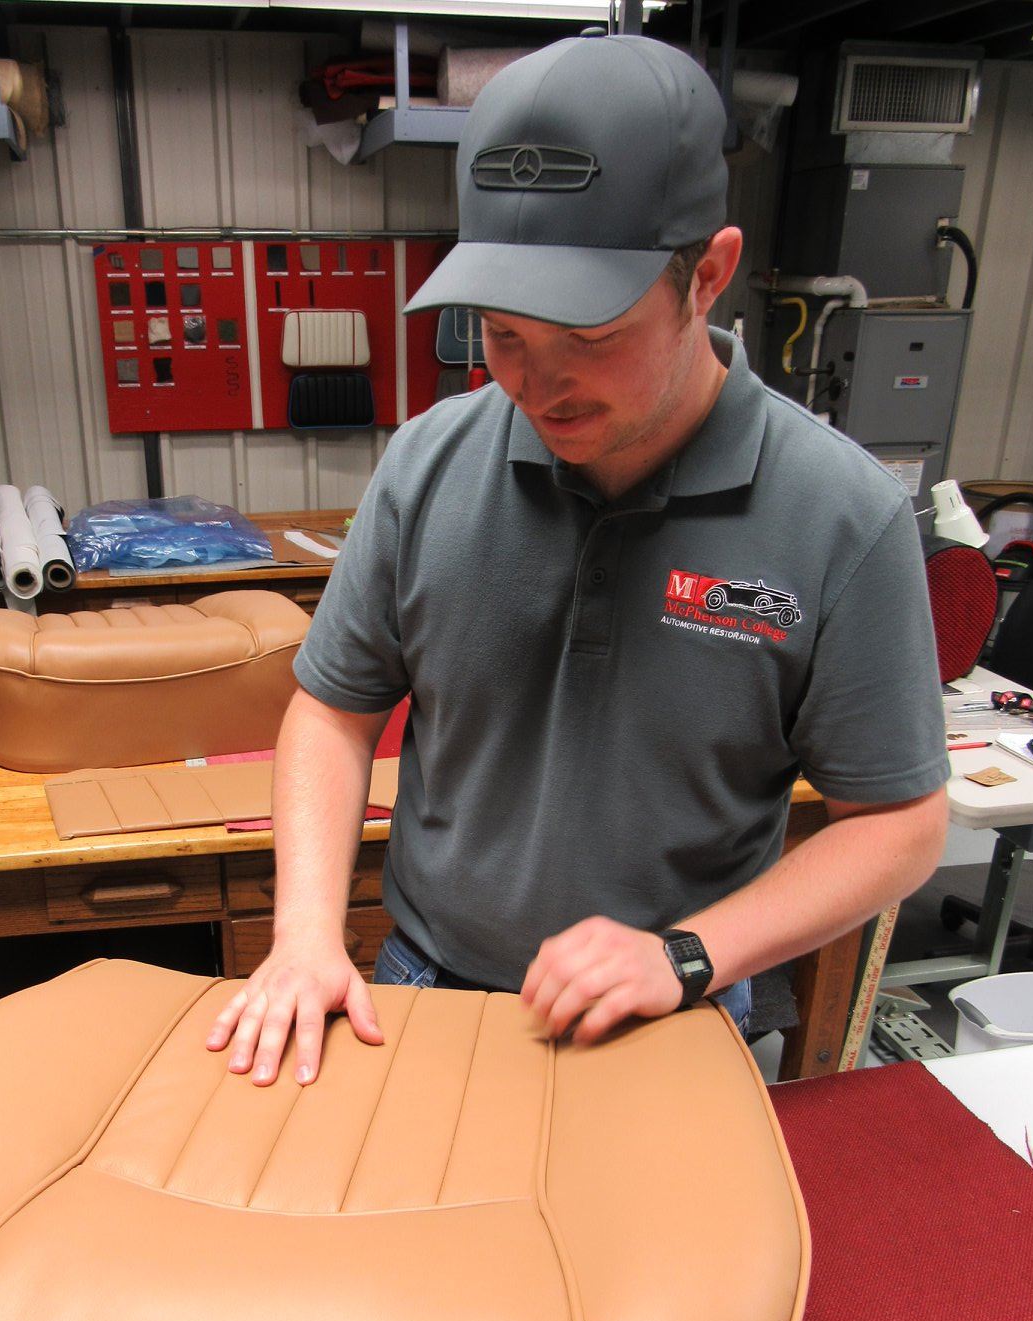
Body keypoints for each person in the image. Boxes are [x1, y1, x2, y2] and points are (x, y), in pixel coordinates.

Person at [208, 31, 949, 1086]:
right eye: (504, 335)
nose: (537, 385)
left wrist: (687, 955)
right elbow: (332, 710)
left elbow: (903, 824)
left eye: (591, 337)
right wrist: (307, 938)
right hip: (425, 986)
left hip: (669, 1010)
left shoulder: (842, 518)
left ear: (709, 275)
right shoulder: (428, 466)